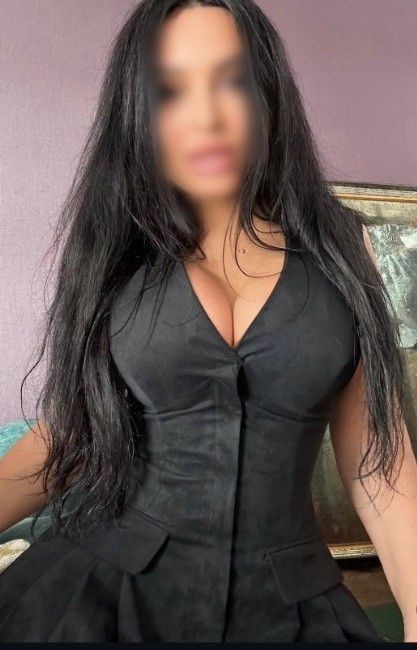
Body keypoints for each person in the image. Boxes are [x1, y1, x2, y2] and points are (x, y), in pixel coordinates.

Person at [0, 0, 415, 642]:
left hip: (292, 609)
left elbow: (378, 463)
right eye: (171, 91)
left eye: (232, 81)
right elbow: (72, 437)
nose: (207, 118)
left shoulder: (341, 247)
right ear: (138, 110)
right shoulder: (115, 251)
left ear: (268, 93)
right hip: (109, 594)